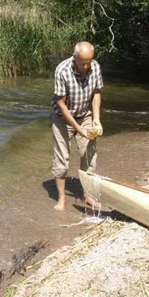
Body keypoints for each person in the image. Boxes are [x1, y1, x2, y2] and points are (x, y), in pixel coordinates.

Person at [51, 41, 103, 210]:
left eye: (89, 61)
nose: (87, 66)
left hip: (85, 114)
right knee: (62, 160)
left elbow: (96, 93)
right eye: (83, 62)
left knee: (89, 156)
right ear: (74, 58)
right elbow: (60, 103)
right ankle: (61, 198)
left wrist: (96, 119)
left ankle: (88, 195)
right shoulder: (62, 70)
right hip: (62, 117)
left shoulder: (95, 67)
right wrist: (78, 129)